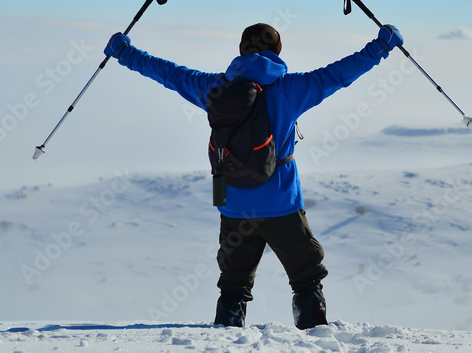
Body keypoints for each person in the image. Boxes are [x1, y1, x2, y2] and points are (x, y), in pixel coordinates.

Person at [103, 21, 403, 329]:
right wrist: (380, 47)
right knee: (306, 277)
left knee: (233, 283)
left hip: (232, 203)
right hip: (281, 204)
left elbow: (170, 74)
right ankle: (315, 338)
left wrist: (124, 53)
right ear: (276, 51)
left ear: (241, 52)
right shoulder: (290, 89)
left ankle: (224, 341)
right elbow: (338, 74)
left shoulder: (214, 88)